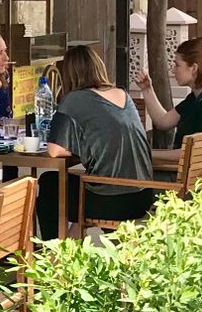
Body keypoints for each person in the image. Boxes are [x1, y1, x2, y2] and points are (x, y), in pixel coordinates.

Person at [38, 43, 156, 239]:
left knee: (50, 184)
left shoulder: (74, 99)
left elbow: (55, 150)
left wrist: (81, 145)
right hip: (142, 195)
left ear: (68, 74)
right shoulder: (122, 94)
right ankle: (70, 245)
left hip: (111, 198)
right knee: (76, 185)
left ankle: (53, 250)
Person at [133, 37, 202, 152]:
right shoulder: (195, 98)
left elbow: (191, 154)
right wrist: (147, 89)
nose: (173, 70)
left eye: (177, 65)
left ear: (194, 68)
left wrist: (148, 155)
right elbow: (163, 121)